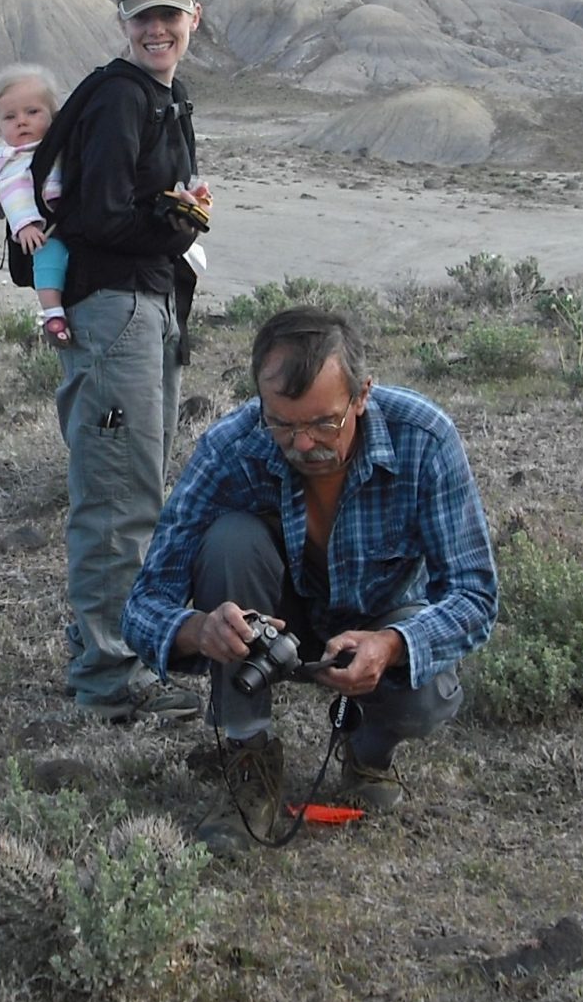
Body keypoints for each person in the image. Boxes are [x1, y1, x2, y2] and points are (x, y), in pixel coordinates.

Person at [123, 305, 498, 856]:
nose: (303, 445)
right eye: (283, 424)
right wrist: (199, 629)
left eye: (326, 423)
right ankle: (248, 757)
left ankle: (368, 748)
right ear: (260, 403)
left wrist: (392, 646)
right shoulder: (229, 448)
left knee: (427, 688)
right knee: (231, 540)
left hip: (381, 625)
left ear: (362, 395)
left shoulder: (425, 437)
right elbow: (142, 606)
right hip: (274, 630)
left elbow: (474, 594)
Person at [48, 0, 215, 723]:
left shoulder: (163, 99)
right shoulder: (122, 97)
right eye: (143, 17)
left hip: (144, 307)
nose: (157, 29)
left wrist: (178, 217)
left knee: (135, 491)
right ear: (123, 23)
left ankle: (121, 659)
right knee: (117, 498)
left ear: (194, 19)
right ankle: (108, 680)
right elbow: (94, 217)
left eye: (169, 16)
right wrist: (174, 222)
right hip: (115, 310)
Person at [0, 65, 74, 343]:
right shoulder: (12, 160)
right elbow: (14, 193)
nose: (21, 122)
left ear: (53, 116)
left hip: (73, 219)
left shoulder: (62, 144)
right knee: (47, 260)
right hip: (43, 227)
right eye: (10, 117)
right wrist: (26, 224)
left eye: (32, 112)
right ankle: (53, 315)